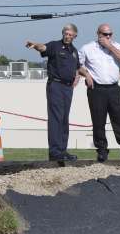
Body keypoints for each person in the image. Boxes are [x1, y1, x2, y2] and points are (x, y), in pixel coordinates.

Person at [26, 23, 90, 162]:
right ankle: (55, 152)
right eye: (65, 34)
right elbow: (43, 47)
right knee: (56, 118)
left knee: (64, 119)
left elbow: (78, 67)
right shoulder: (55, 45)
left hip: (68, 88)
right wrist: (35, 45)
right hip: (56, 85)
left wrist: (88, 76)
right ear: (63, 34)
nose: (67, 36)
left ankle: (62, 150)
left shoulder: (73, 51)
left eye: (70, 34)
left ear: (75, 36)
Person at [78, 23, 120, 163]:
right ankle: (101, 151)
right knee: (98, 122)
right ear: (98, 34)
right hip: (96, 89)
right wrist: (86, 74)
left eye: (110, 34)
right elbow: (78, 65)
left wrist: (109, 46)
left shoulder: (117, 46)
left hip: (113, 89)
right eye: (105, 34)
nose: (108, 36)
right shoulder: (87, 48)